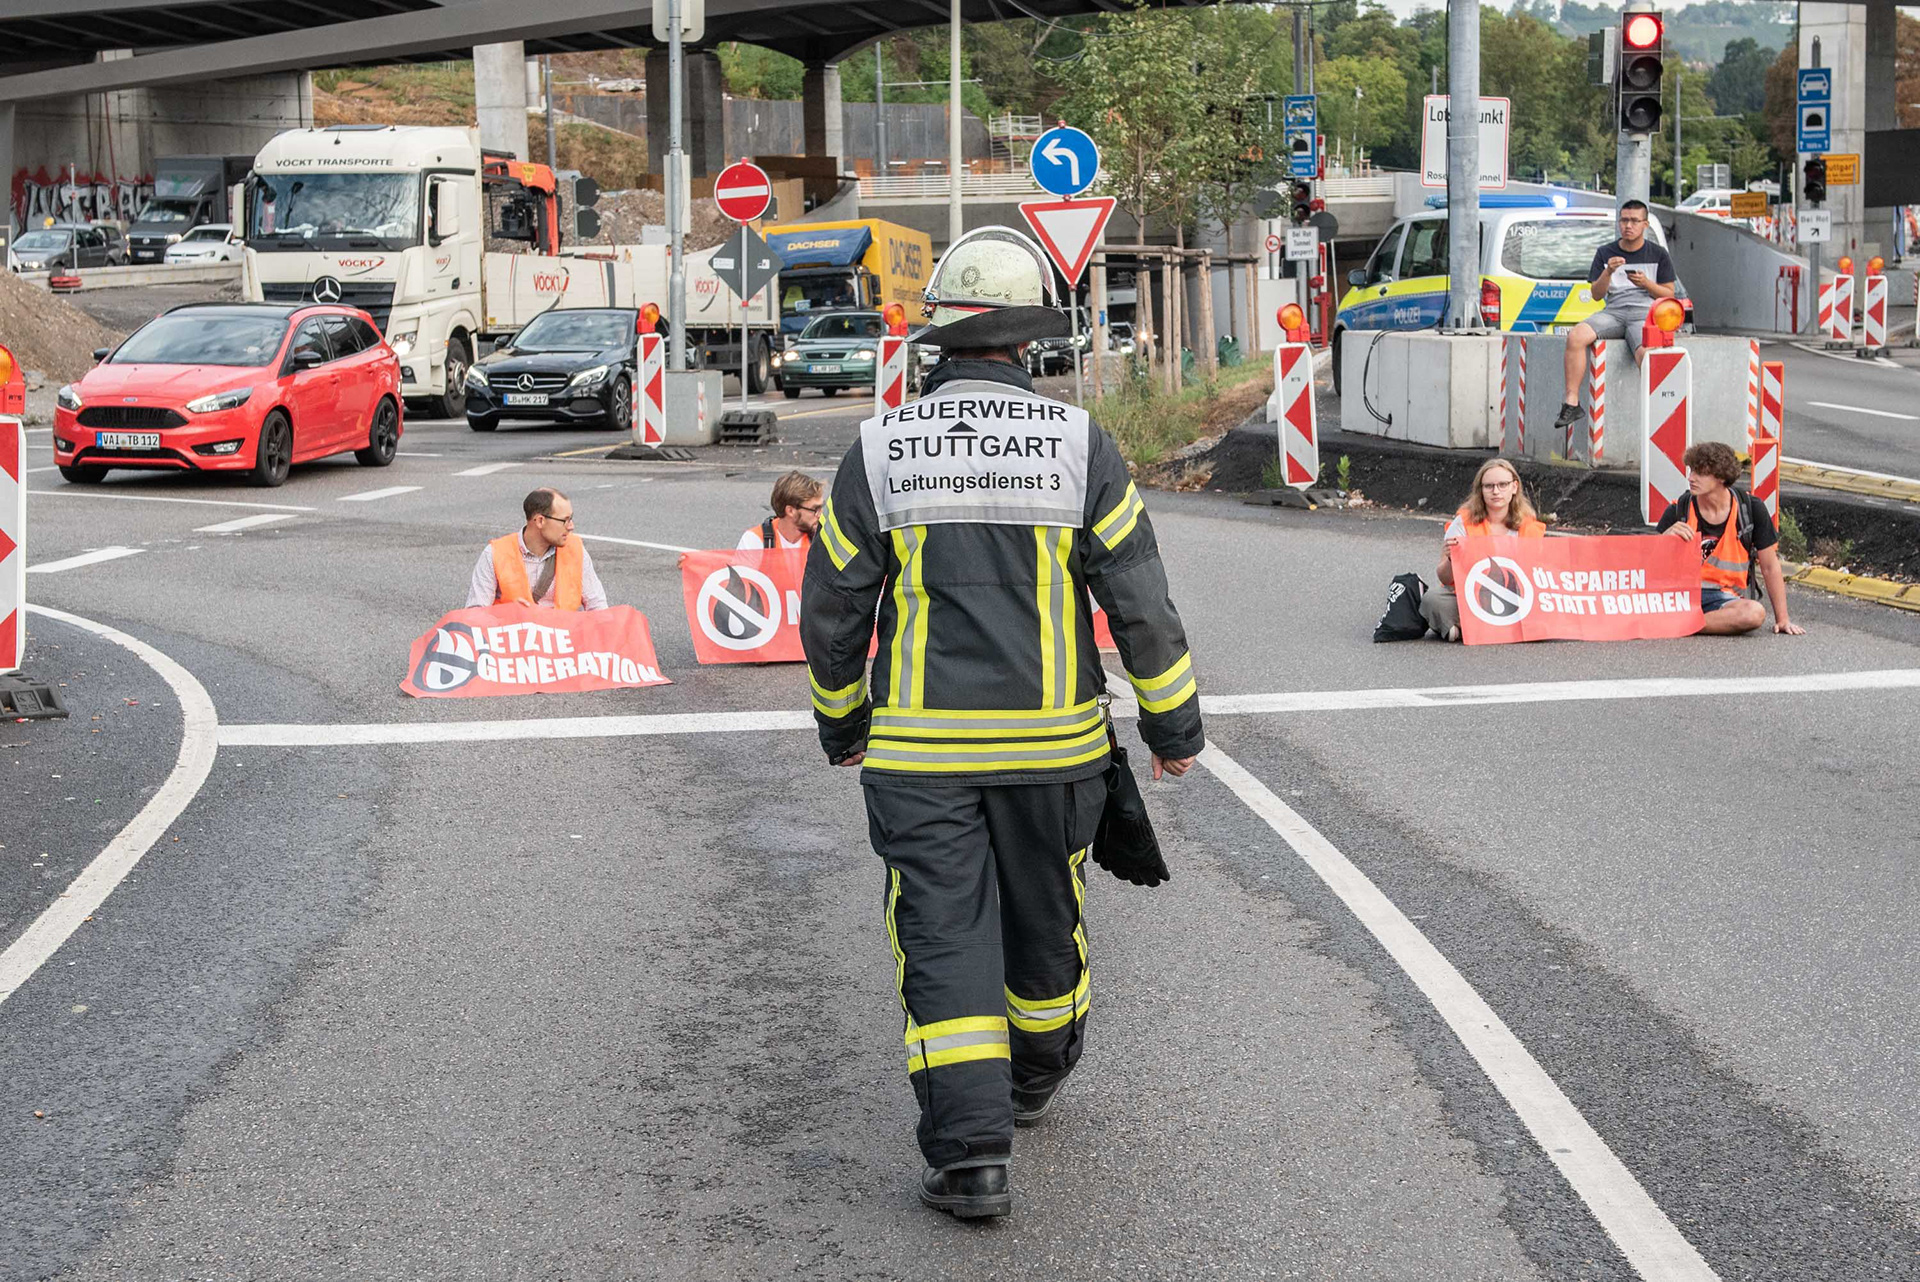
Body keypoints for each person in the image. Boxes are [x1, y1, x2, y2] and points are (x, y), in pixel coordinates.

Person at [800, 226, 1204, 1221]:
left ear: (937, 339)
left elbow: (835, 608)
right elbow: (1140, 602)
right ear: (1026, 346)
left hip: (921, 756)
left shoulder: (880, 447)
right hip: (1053, 752)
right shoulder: (1079, 445)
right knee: (1043, 919)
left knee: (940, 935)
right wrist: (1173, 728)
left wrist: (842, 721)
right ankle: (1036, 1070)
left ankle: (973, 1158)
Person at [1656, 441, 1804, 636]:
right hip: (1678, 595)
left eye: (1700, 473)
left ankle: (1680, 623)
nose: (1691, 478)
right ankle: (1687, 622)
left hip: (1724, 600)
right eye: (1691, 471)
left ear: (1720, 477)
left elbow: (1769, 566)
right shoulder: (1679, 509)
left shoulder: (1751, 510)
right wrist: (1664, 539)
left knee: (1754, 613)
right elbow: (1647, 566)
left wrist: (1782, 619)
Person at [1556, 200, 1678, 436]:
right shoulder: (1605, 252)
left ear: (1645, 224)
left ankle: (1660, 410)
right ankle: (1571, 403)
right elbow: (1596, 295)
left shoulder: (1658, 253)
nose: (1628, 226)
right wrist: (1608, 271)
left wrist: (1646, 284)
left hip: (1645, 312)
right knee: (1576, 336)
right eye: (1623, 220)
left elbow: (1668, 294)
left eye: (1634, 221)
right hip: (1613, 311)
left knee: (1646, 354)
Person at [1420, 457, 1547, 641]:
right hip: (1470, 598)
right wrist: (1450, 558)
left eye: (1503, 484)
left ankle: (1465, 628)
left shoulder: (1529, 526)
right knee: (1432, 600)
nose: (1496, 491)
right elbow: (1444, 579)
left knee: (1547, 604)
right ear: (1481, 490)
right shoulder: (1463, 523)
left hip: (1517, 598)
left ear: (1514, 487)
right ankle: (1500, 628)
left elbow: (1541, 577)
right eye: (1489, 486)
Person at [466, 487, 609, 611]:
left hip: (563, 639)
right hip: (516, 640)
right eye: (565, 520)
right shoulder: (494, 554)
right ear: (540, 521)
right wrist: (507, 613)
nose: (571, 526)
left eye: (571, 518)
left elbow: (597, 605)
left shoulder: (576, 550)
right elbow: (475, 613)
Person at [737, 470, 823, 550]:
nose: (820, 515)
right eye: (815, 509)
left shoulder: (822, 540)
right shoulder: (754, 541)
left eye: (821, 507)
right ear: (790, 511)